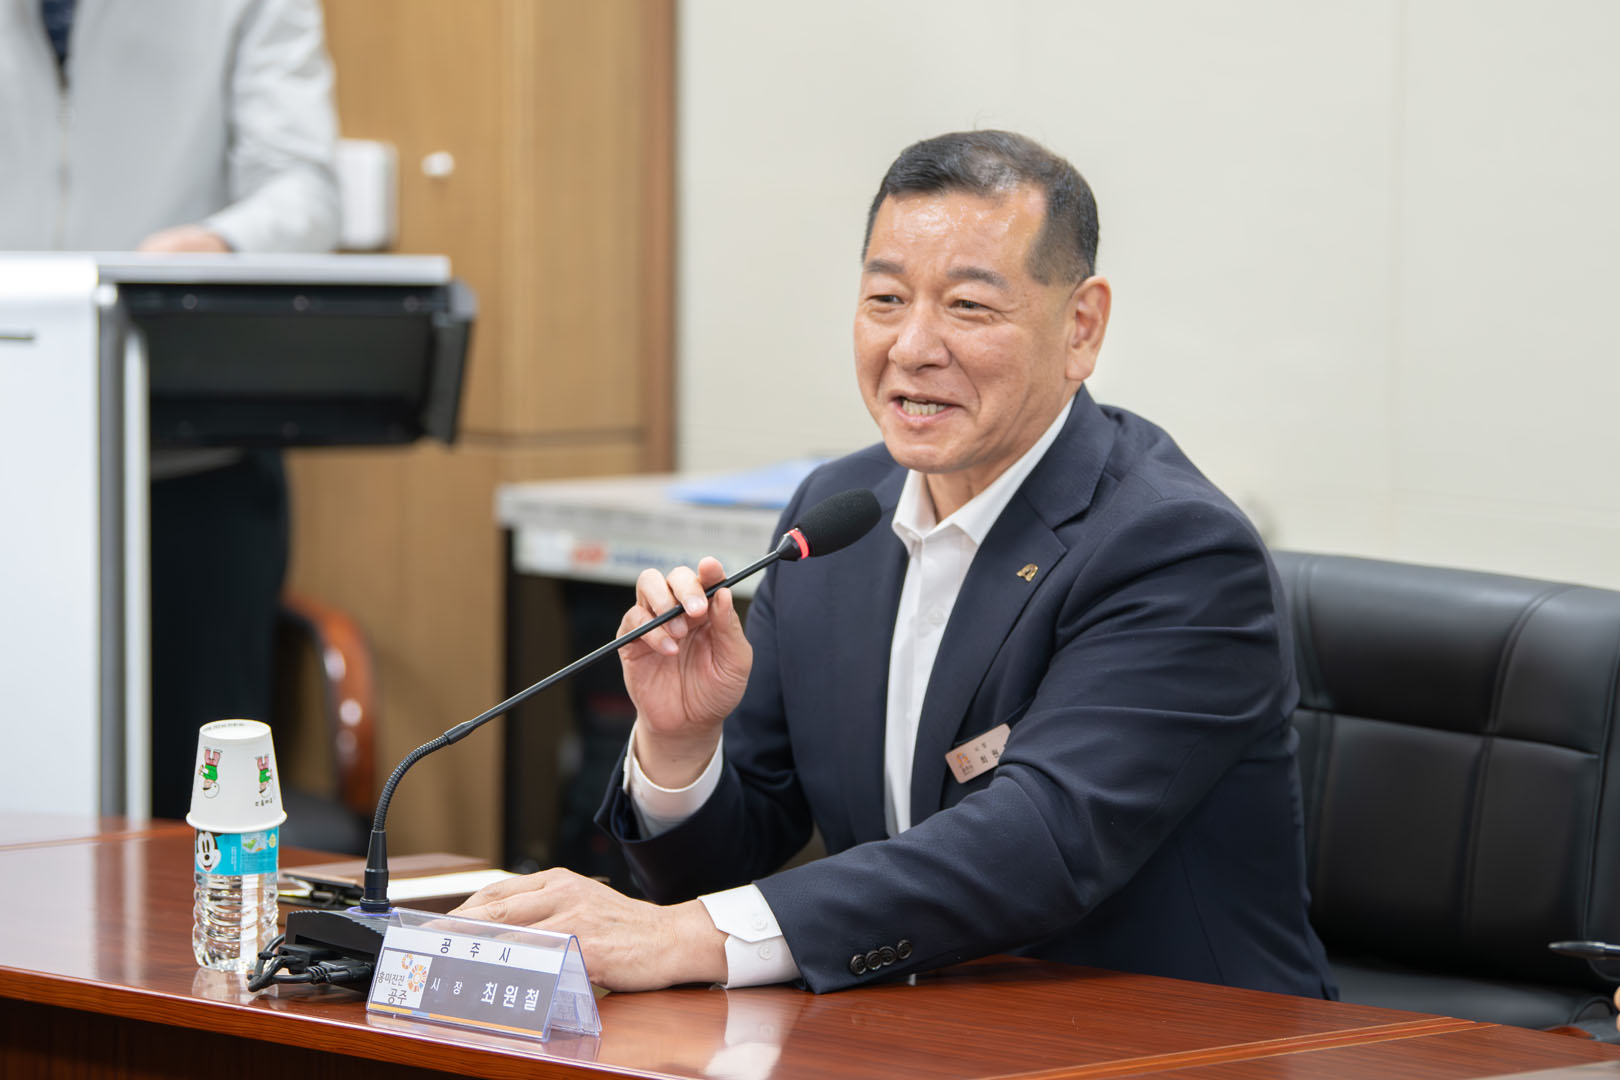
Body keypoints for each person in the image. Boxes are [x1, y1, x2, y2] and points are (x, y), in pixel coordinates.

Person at [457, 131, 1337, 999]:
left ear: (1081, 327)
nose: (912, 346)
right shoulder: (837, 516)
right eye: (885, 298)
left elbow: (1038, 843)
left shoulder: (1175, 548)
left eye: (968, 307)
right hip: (910, 1033)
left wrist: (679, 936)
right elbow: (728, 866)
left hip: (1173, 1040)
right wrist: (681, 746)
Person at [0, 0, 341, 820]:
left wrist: (220, 245)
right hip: (14, 449)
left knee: (188, 801)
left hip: (193, 466)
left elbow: (305, 189)